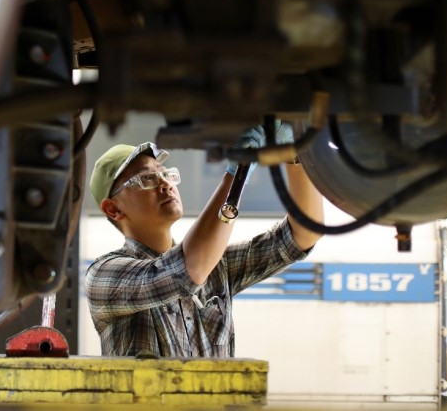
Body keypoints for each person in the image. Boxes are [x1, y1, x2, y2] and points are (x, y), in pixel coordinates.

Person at [84, 126, 324, 358]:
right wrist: (235, 174)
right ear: (112, 208)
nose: (165, 183)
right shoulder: (103, 277)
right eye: (147, 178)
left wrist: (296, 154)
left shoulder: (217, 266)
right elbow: (189, 269)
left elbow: (301, 236)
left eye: (165, 173)